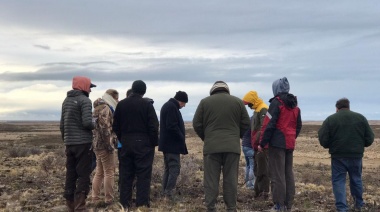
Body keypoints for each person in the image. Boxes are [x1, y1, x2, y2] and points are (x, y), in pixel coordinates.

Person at [193, 81, 250, 212]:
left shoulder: (204, 102)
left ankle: (211, 207)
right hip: (232, 147)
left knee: (211, 179)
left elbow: (196, 123)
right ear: (227, 90)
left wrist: (206, 137)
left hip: (211, 147)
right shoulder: (238, 102)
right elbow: (246, 123)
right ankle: (231, 207)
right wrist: (236, 136)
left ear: (212, 91)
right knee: (231, 179)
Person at [318, 98, 374, 212]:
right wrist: (360, 146)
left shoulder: (330, 119)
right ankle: (359, 205)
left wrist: (330, 146)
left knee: (338, 181)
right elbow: (370, 137)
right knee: (356, 179)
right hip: (356, 155)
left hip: (338, 156)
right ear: (348, 106)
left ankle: (342, 208)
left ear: (337, 108)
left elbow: (323, 138)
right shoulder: (361, 118)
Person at [112, 80, 159, 209]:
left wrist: (123, 138)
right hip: (143, 145)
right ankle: (142, 206)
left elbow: (115, 126)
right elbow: (154, 126)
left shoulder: (121, 104)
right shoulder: (147, 105)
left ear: (132, 89)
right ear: (144, 91)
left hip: (126, 143)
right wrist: (152, 143)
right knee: (143, 176)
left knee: (125, 176)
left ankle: (124, 205)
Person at [258, 77, 302, 211]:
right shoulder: (295, 105)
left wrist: (262, 142)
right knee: (288, 174)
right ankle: (288, 205)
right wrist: (291, 137)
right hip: (289, 144)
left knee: (277, 176)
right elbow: (298, 126)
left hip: (277, 145)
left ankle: (279, 205)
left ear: (276, 89)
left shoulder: (276, 103)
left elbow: (269, 125)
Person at [60, 76, 96, 211]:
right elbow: (87, 123)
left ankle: (70, 204)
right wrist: (95, 123)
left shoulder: (66, 101)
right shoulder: (85, 101)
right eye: (89, 87)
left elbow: (62, 124)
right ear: (84, 86)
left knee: (70, 173)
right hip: (83, 143)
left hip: (70, 143)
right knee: (83, 174)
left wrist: (67, 140)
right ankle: (80, 206)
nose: (90, 90)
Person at [158, 91, 189, 200]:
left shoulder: (169, 106)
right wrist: (181, 136)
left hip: (167, 144)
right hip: (172, 145)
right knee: (174, 168)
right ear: (180, 100)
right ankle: (168, 193)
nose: (184, 106)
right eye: (184, 103)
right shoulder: (171, 107)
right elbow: (172, 126)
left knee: (168, 168)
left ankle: (164, 192)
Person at [91, 89, 119, 205]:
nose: (117, 100)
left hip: (97, 144)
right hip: (105, 145)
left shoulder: (97, 108)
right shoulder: (106, 108)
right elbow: (105, 128)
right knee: (109, 172)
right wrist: (109, 145)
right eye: (116, 98)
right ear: (112, 97)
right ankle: (109, 199)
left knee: (99, 172)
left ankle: (95, 197)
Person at [242, 90, 269, 199]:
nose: (248, 106)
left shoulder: (263, 109)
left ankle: (263, 193)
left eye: (248, 104)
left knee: (262, 170)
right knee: (257, 169)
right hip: (256, 145)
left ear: (253, 101)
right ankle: (257, 192)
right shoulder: (257, 110)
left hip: (261, 146)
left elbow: (263, 128)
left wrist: (260, 143)